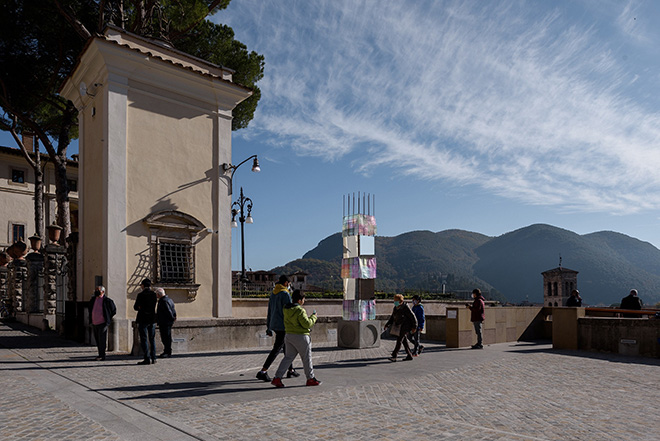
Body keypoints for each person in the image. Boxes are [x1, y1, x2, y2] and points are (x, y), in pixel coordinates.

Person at [271, 290, 321, 387]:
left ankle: (277, 377)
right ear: (299, 300)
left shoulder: (286, 309)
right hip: (301, 336)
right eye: (303, 299)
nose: (304, 301)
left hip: (289, 335)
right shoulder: (300, 310)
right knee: (306, 358)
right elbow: (307, 324)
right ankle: (310, 378)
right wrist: (314, 317)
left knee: (288, 358)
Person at [256, 275, 298, 382]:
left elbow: (269, 311)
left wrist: (268, 327)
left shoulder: (273, 293)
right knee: (277, 348)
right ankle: (263, 371)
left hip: (274, 324)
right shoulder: (285, 294)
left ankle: (291, 369)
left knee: (286, 348)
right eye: (289, 283)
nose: (289, 285)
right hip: (283, 325)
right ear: (285, 283)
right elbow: (289, 311)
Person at [384, 294, 417, 362]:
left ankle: (394, 355)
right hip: (399, 325)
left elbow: (413, 317)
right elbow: (392, 317)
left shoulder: (405, 308)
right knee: (404, 341)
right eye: (394, 300)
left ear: (400, 301)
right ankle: (409, 355)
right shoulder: (395, 308)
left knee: (399, 340)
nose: (395, 302)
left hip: (405, 326)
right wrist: (387, 324)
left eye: (396, 300)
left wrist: (414, 326)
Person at [88, 286, 116, 361]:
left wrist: (107, 318)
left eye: (98, 290)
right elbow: (90, 308)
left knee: (102, 339)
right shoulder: (93, 299)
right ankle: (100, 353)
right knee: (97, 339)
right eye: (96, 290)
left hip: (102, 323)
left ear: (103, 292)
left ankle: (102, 355)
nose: (96, 291)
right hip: (94, 322)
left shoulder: (107, 301)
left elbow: (113, 310)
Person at [134, 278, 158, 365]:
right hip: (152, 319)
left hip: (143, 318)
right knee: (152, 339)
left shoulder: (140, 295)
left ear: (143, 286)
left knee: (144, 339)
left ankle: (147, 358)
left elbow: (136, 307)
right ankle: (154, 357)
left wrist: (141, 307)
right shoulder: (154, 295)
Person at [156, 287, 177, 358]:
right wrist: (174, 317)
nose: (156, 296)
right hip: (168, 321)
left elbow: (168, 311)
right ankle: (167, 351)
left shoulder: (163, 301)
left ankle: (167, 351)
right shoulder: (169, 299)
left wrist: (171, 317)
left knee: (165, 337)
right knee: (167, 336)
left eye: (156, 294)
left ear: (159, 294)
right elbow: (173, 309)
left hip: (165, 321)